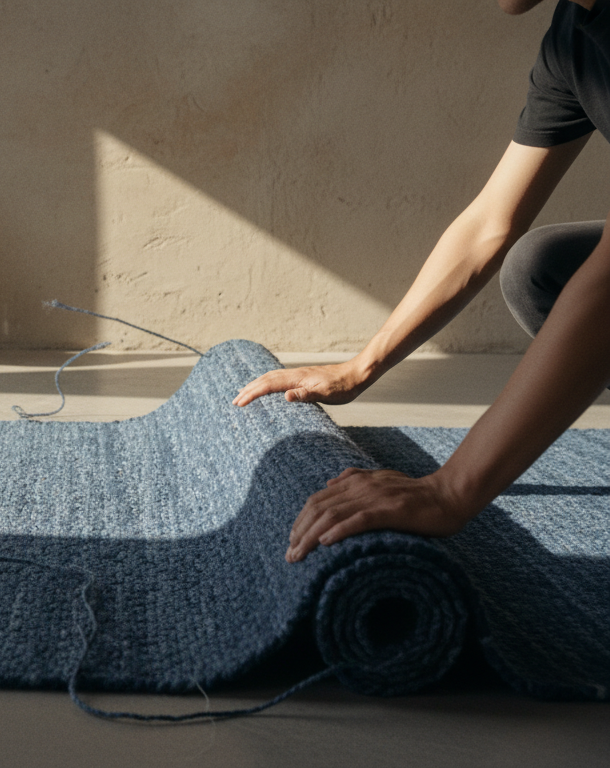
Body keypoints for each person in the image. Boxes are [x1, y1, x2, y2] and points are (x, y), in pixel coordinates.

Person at [232, 0, 610, 564]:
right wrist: (359, 367)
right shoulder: (573, 36)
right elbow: (490, 223)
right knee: (540, 269)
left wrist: (449, 490)